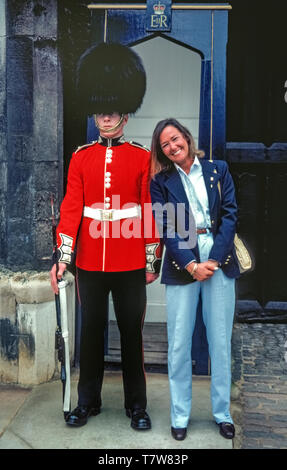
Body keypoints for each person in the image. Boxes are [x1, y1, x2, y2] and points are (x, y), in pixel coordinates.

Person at [50, 43, 161, 430]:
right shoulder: (81, 157)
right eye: (100, 111)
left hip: (130, 261)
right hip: (90, 263)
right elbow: (71, 209)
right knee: (90, 335)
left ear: (125, 115)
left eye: (111, 111)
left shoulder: (141, 157)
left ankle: (137, 405)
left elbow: (149, 210)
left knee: (132, 336)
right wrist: (63, 257)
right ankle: (87, 402)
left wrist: (151, 259)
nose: (105, 117)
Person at [150, 118, 240, 441]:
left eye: (175, 139)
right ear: (161, 152)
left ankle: (222, 413)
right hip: (181, 263)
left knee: (219, 341)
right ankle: (180, 416)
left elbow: (230, 215)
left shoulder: (219, 170)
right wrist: (191, 265)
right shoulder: (161, 182)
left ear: (186, 137)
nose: (173, 147)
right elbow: (166, 227)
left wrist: (212, 259)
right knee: (179, 344)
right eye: (165, 145)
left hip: (219, 255)